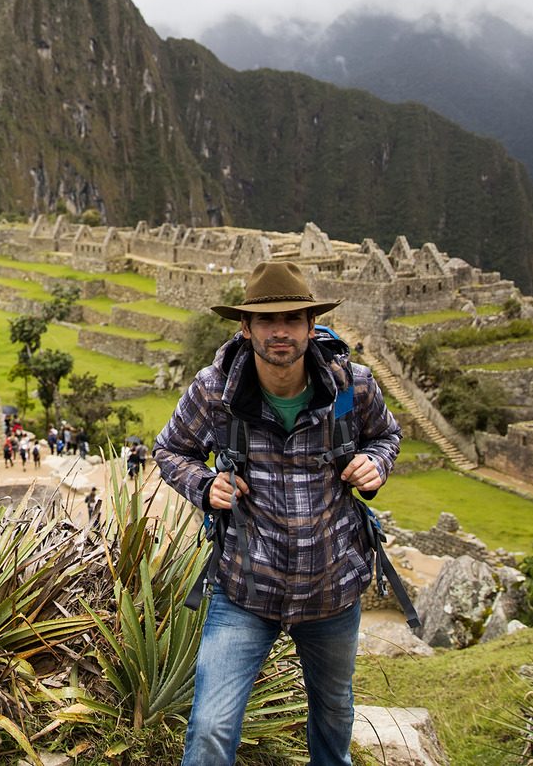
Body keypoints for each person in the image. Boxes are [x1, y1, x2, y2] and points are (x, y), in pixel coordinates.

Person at [154, 260, 400, 766]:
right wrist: (205, 485)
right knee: (211, 727)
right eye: (267, 321)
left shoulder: (352, 387)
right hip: (246, 586)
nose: (280, 332)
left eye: (292, 320)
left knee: (333, 713)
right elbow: (170, 450)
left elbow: (386, 435)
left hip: (330, 585)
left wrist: (375, 463)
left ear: (312, 326)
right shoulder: (215, 391)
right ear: (245, 329)